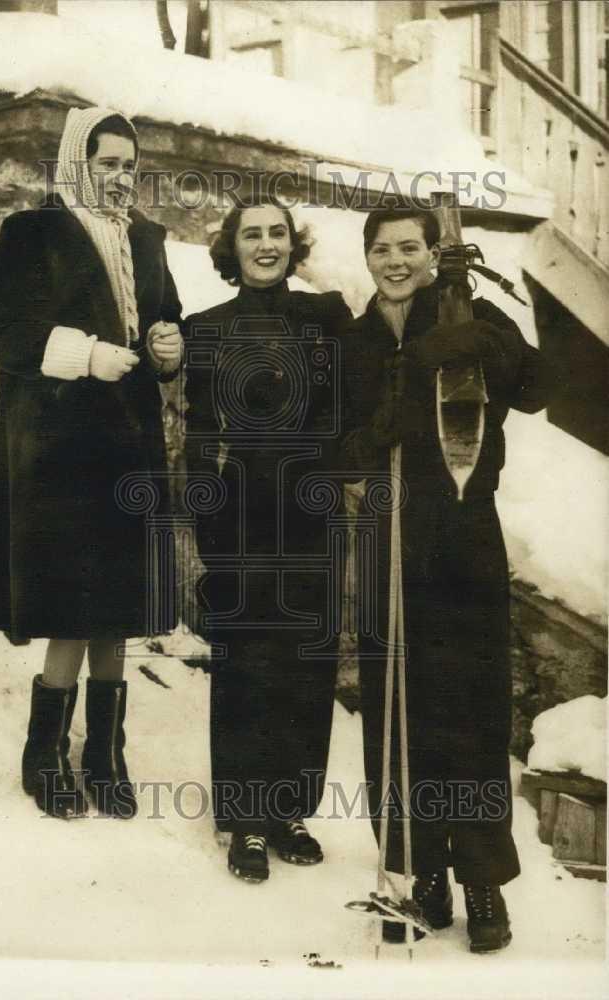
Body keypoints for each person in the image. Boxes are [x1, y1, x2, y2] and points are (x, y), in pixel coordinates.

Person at [341, 199, 551, 952]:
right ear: (367, 256)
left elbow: (535, 387)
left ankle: (482, 880)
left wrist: (473, 341)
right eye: (382, 249)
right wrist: (383, 428)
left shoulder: (469, 309)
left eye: (409, 248)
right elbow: (335, 447)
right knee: (399, 704)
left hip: (464, 530)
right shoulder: (355, 339)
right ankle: (420, 873)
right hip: (389, 530)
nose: (395, 261)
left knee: (470, 703)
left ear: (433, 254)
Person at [0, 107, 183, 820]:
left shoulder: (145, 238)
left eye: (129, 166)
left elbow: (164, 317)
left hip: (129, 445)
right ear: (74, 164)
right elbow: (0, 329)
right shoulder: (32, 232)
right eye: (106, 163)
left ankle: (105, 754)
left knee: (118, 605)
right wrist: (84, 355)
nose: (120, 177)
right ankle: (45, 755)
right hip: (59, 448)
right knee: (71, 604)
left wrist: (167, 347)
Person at [184, 197, 351, 881]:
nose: (265, 245)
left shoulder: (325, 317)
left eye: (277, 233)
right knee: (247, 662)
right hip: (240, 515)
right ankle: (246, 820)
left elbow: (353, 400)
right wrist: (204, 519)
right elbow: (198, 432)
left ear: (293, 244)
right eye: (251, 234)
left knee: (307, 662)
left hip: (312, 510)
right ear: (232, 247)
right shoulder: (206, 329)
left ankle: (290, 810)